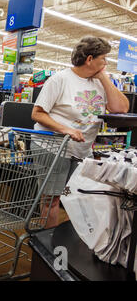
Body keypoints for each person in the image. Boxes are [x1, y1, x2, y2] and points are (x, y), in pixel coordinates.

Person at [31, 36, 129, 228]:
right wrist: (66, 129)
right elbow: (37, 113)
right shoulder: (60, 79)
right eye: (104, 58)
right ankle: (48, 245)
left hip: (82, 151)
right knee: (52, 200)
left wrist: (103, 77)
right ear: (90, 59)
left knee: (79, 197)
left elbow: (121, 108)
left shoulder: (100, 82)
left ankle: (73, 243)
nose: (107, 63)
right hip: (52, 148)